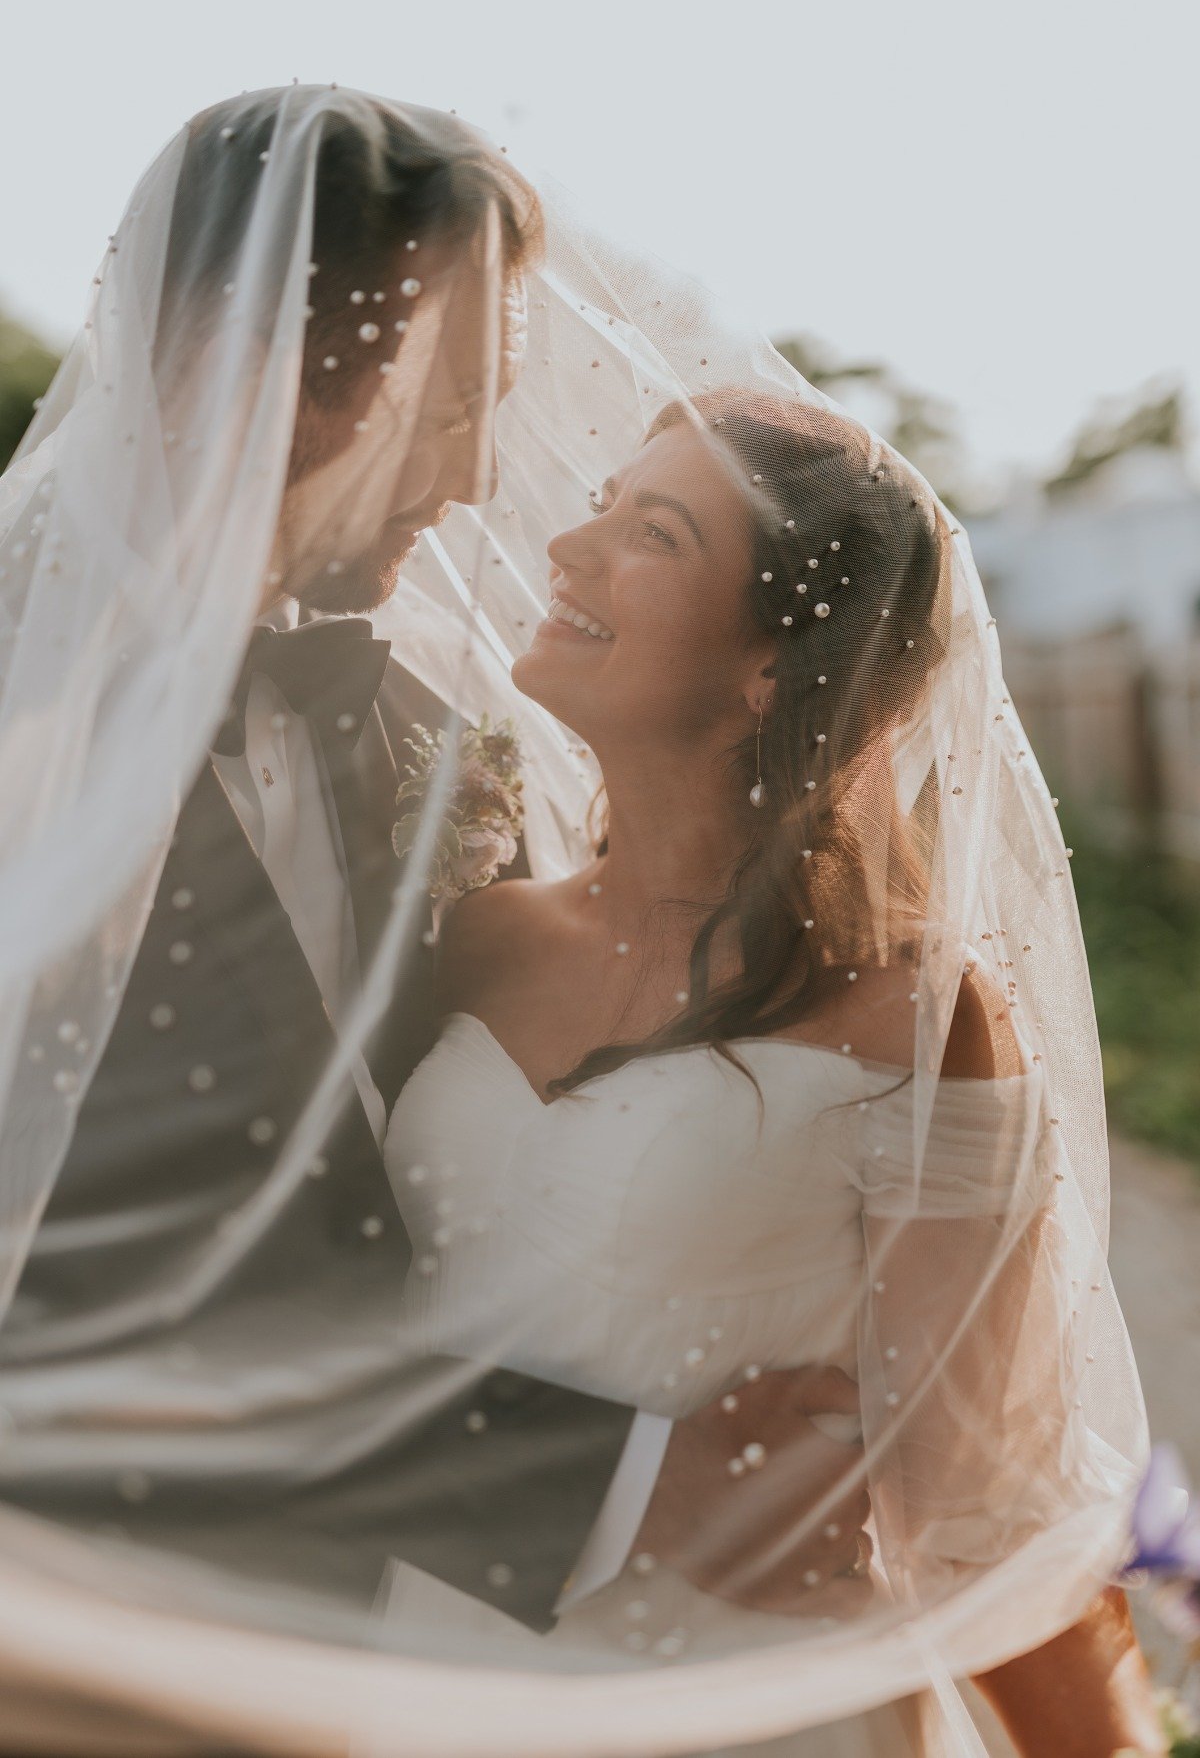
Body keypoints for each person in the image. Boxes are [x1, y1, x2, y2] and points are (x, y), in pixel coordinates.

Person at [0, 87, 869, 1749]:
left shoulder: (409, 726)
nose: (479, 472)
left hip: (397, 1664)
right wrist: (623, 1482)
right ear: (253, 363)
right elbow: (111, 1279)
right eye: (443, 402)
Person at [378, 388, 1163, 1754]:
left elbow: (979, 1512)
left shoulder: (914, 1017)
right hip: (423, 1686)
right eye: (604, 506)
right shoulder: (467, 939)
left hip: (750, 1714)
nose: (568, 547)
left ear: (772, 669)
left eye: (653, 532)